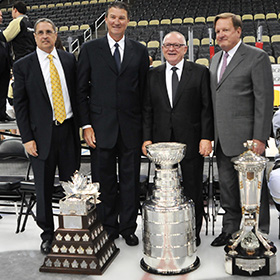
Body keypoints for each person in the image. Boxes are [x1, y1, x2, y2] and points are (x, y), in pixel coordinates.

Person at [77, 1, 149, 246]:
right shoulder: (89, 49)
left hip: (131, 129)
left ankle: (128, 227)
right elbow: (81, 91)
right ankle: (108, 226)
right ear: (106, 20)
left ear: (128, 21)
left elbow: (144, 94)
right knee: (104, 182)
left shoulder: (139, 51)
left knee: (130, 183)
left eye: (122, 17)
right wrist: (86, 125)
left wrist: (145, 131)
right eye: (112, 17)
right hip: (100, 129)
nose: (117, 21)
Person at [13, 18, 81, 254]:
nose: (44, 36)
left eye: (48, 32)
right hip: (40, 137)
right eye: (40, 32)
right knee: (42, 187)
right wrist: (26, 138)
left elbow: (78, 94)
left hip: (69, 131)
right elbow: (20, 106)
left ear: (55, 34)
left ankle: (72, 230)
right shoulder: (23, 66)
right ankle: (48, 234)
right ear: (34, 37)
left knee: (71, 186)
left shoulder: (69, 59)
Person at [142, 31, 214, 247]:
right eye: (167, 45)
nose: (171, 49)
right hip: (161, 143)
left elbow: (206, 108)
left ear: (185, 48)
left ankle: (193, 232)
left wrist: (206, 137)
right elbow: (147, 110)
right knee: (164, 190)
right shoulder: (152, 74)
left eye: (176, 45)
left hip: (191, 141)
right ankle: (166, 230)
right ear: (162, 49)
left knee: (192, 187)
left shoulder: (200, 72)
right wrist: (146, 139)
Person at [209, 13, 274, 246]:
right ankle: (229, 229)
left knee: (254, 189)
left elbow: (264, 101)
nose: (221, 35)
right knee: (226, 187)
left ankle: (259, 231)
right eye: (217, 31)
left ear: (238, 31)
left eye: (225, 30)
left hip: (248, 140)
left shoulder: (257, 57)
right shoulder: (215, 59)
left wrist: (259, 137)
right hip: (222, 138)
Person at [0, 10, 13, 122]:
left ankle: (2, 114)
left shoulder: (3, 33)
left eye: (1, 15)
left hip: (4, 67)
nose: (1, 18)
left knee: (3, 92)